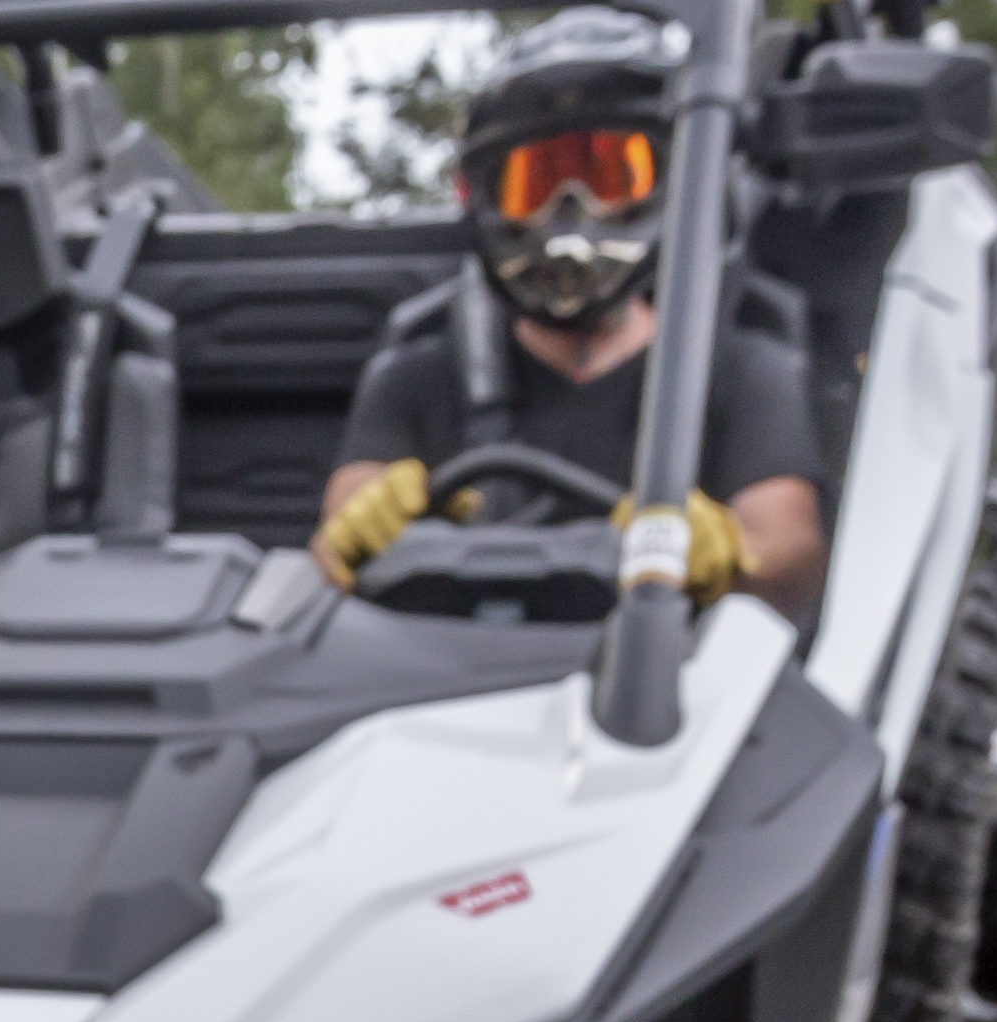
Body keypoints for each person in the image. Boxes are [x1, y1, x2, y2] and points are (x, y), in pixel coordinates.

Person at [312, 9, 827, 621]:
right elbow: (333, 545)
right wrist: (354, 535)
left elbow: (791, 550)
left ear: (673, 184)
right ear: (485, 197)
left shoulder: (743, 370)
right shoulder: (417, 374)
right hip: (446, 671)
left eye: (611, 174)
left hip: (664, 672)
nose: (571, 209)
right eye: (537, 182)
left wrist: (734, 554)